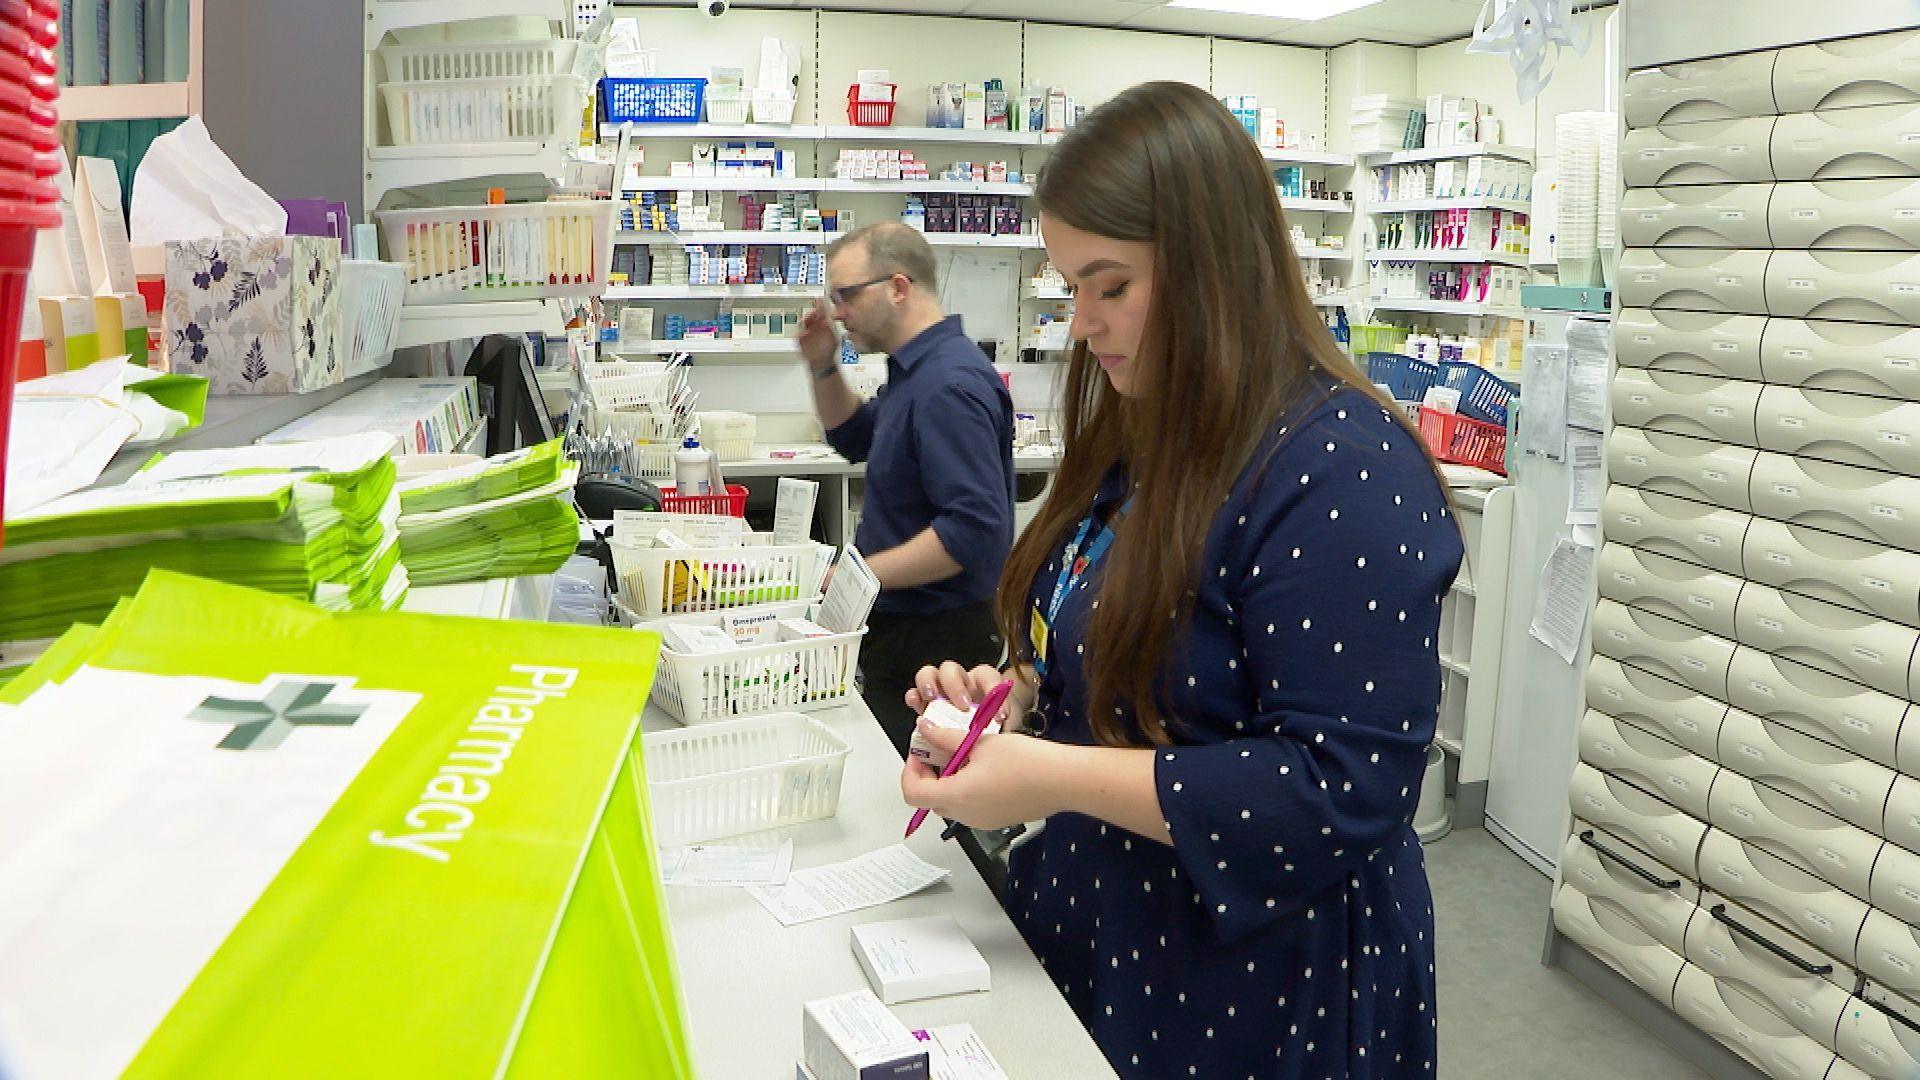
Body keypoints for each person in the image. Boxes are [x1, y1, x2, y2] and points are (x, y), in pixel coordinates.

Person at [896, 82, 1463, 1079]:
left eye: (1109, 286)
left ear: (1213, 268)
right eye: (1071, 286)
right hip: (1111, 941)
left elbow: (1342, 788)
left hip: (1257, 995)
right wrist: (1009, 707)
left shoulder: (1342, 465)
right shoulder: (1149, 427)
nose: (1081, 324)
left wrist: (1046, 777)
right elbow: (1112, 647)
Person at [795, 223, 1016, 757]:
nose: (839, 311)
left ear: (898, 287)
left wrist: (857, 576)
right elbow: (851, 437)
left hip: (939, 641)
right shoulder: (914, 372)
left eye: (847, 295)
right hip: (905, 628)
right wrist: (823, 363)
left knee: (925, 794)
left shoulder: (948, 384)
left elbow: (974, 532)